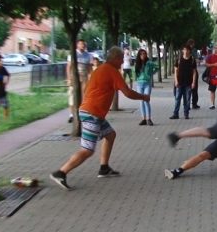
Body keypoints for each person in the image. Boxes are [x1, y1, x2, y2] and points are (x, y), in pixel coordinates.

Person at [49, 46, 151, 191]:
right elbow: (127, 93)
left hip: (92, 112)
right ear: (115, 58)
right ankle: (61, 173)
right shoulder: (112, 71)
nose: (123, 62)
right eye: (121, 59)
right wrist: (144, 97)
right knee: (87, 150)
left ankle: (104, 168)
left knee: (110, 135)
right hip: (92, 114)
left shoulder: (101, 69)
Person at [66, 39, 93, 123]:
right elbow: (69, 67)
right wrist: (69, 78)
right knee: (72, 95)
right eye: (81, 44)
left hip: (84, 77)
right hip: (74, 77)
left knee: (83, 95)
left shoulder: (88, 55)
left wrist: (90, 77)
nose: (82, 46)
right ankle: (72, 114)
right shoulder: (73, 54)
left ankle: (81, 113)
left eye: (84, 44)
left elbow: (89, 68)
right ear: (77, 45)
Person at [170, 44, 197, 120]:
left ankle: (186, 113)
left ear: (189, 51)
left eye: (187, 50)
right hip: (179, 82)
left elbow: (194, 72)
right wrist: (176, 81)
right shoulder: (179, 59)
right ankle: (175, 114)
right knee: (177, 98)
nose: (186, 51)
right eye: (184, 49)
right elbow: (175, 71)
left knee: (187, 99)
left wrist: (193, 82)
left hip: (188, 83)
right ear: (182, 51)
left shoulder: (192, 60)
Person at [134, 48, 158, 126]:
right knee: (141, 101)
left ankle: (149, 119)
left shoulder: (149, 63)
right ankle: (143, 118)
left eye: (144, 54)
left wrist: (152, 73)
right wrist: (137, 78)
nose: (143, 55)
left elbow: (157, 67)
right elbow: (136, 72)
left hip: (147, 83)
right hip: (139, 84)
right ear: (139, 55)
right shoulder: (137, 63)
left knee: (146, 101)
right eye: (141, 54)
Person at [204, 45, 217, 110]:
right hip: (212, 76)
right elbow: (206, 64)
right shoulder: (210, 56)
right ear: (214, 49)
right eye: (216, 48)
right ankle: (212, 104)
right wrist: (213, 64)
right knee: (212, 90)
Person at [186, 39, 201, 110]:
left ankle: (190, 104)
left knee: (192, 89)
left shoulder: (191, 50)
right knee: (192, 89)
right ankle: (192, 104)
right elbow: (197, 60)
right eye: (193, 44)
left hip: (191, 71)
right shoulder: (192, 50)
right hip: (190, 72)